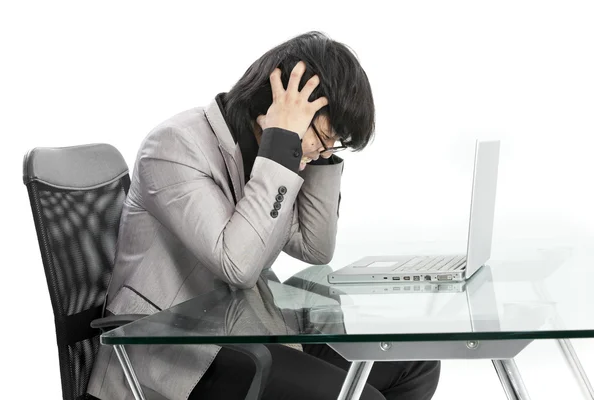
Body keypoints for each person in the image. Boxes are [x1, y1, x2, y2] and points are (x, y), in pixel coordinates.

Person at [87, 31, 440, 400]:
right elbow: (237, 265)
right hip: (178, 354)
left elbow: (314, 247)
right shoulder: (175, 146)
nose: (322, 151)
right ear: (279, 103)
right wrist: (284, 145)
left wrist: (320, 150)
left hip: (249, 331)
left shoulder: (263, 152)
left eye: (331, 144)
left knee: (416, 363)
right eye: (322, 136)